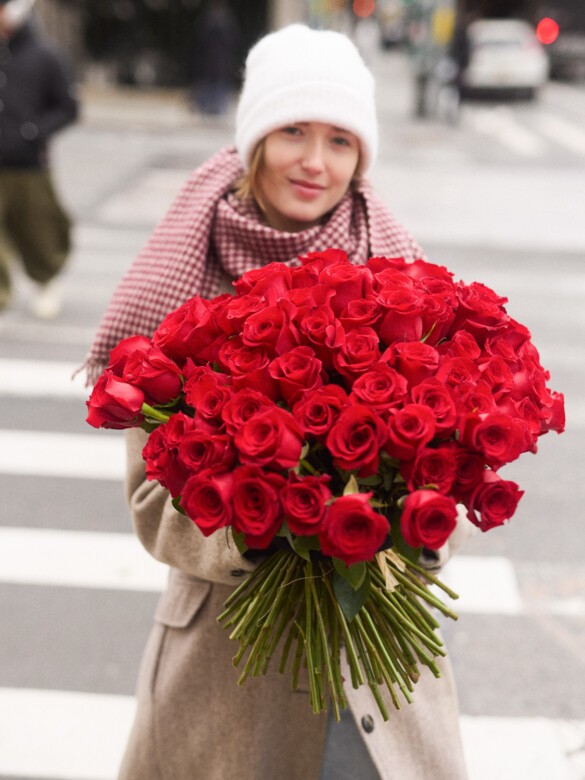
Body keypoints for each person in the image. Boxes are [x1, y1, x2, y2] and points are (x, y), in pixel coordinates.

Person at [85, 24, 470, 780]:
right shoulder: (184, 280)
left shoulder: (400, 277)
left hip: (376, 664)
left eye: (339, 139)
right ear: (253, 140)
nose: (315, 162)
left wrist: (411, 519)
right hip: (230, 666)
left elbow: (445, 472)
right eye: (293, 130)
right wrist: (265, 528)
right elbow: (152, 505)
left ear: (362, 156)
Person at [0, 0, 78, 319]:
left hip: (29, 164)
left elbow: (68, 109)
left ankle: (46, 280)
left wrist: (34, 132)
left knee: (39, 229)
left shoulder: (46, 56)